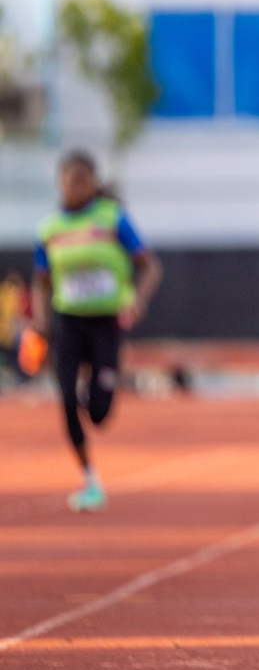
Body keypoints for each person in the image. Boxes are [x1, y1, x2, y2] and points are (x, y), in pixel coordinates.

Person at [31, 151, 162, 512]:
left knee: (99, 412)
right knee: (67, 399)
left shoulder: (112, 219)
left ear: (92, 183)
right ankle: (89, 476)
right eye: (69, 180)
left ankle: (99, 387)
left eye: (83, 180)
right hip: (68, 322)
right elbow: (41, 282)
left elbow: (151, 266)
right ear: (60, 183)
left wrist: (138, 298)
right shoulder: (49, 230)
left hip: (106, 323)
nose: (75, 187)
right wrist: (41, 322)